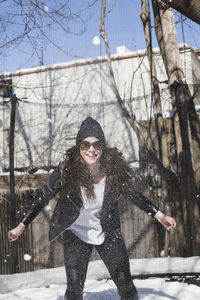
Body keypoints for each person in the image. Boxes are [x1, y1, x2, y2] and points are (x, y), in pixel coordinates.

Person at [8, 117, 176, 300]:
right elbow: (43, 196)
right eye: (85, 144)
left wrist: (159, 215)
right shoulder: (66, 170)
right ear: (78, 146)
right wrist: (22, 225)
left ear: (103, 147)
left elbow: (134, 195)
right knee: (74, 291)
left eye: (97, 144)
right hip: (76, 234)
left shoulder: (114, 171)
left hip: (108, 231)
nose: (91, 149)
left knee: (126, 286)